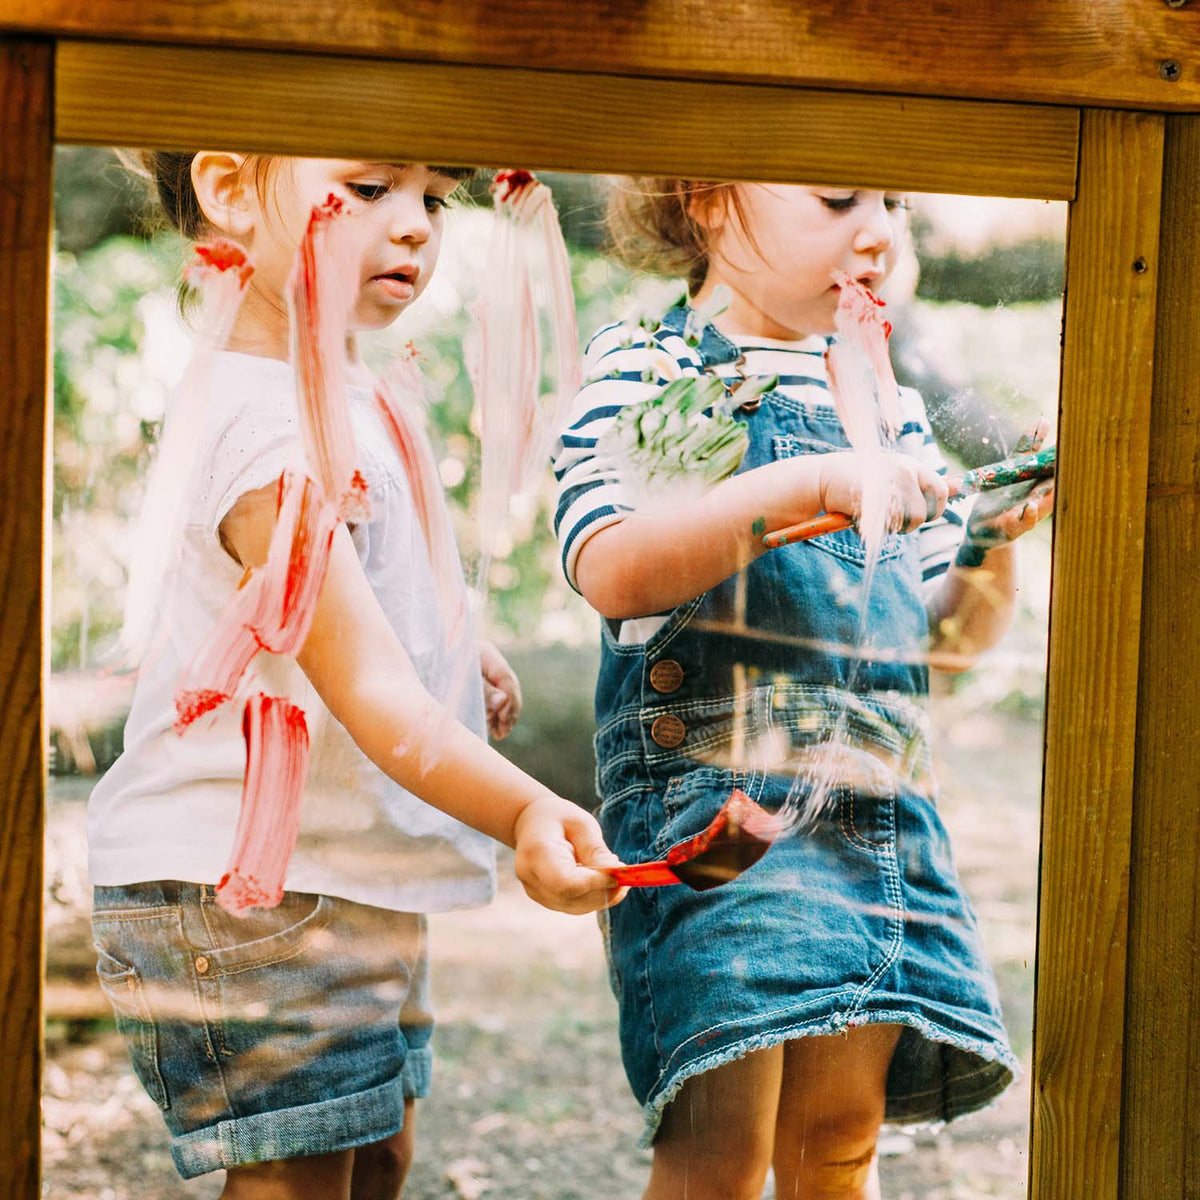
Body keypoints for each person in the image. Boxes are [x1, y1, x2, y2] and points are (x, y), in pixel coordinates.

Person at [88, 152, 625, 1200]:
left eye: (435, 197)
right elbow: (372, 692)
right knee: (302, 1179)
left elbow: (349, 599)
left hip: (344, 869)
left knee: (376, 1154)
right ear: (233, 190)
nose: (419, 226)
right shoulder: (272, 429)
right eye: (372, 188)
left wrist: (449, 644)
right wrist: (526, 811)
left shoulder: (332, 377)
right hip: (248, 888)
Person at [552, 179, 1054, 1200]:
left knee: (839, 1140)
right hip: (725, 825)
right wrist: (810, 485)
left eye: (894, 202)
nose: (877, 231)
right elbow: (611, 565)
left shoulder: (882, 405)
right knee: (716, 1157)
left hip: (878, 820)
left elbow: (938, 652)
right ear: (705, 199)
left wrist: (991, 545)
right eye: (835, 196)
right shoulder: (650, 369)